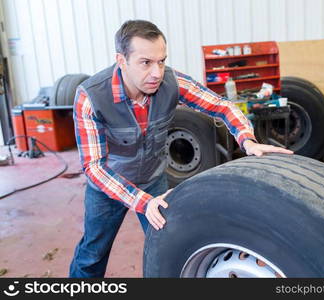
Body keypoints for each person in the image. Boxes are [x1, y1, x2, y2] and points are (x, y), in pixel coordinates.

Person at [69, 19, 293, 278]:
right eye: (146, 62)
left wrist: (247, 140)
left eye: (161, 61)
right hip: (108, 187)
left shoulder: (170, 82)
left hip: (153, 180)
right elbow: (93, 167)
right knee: (92, 254)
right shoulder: (91, 96)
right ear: (121, 60)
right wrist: (143, 202)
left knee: (169, 246)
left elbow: (222, 105)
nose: (157, 73)